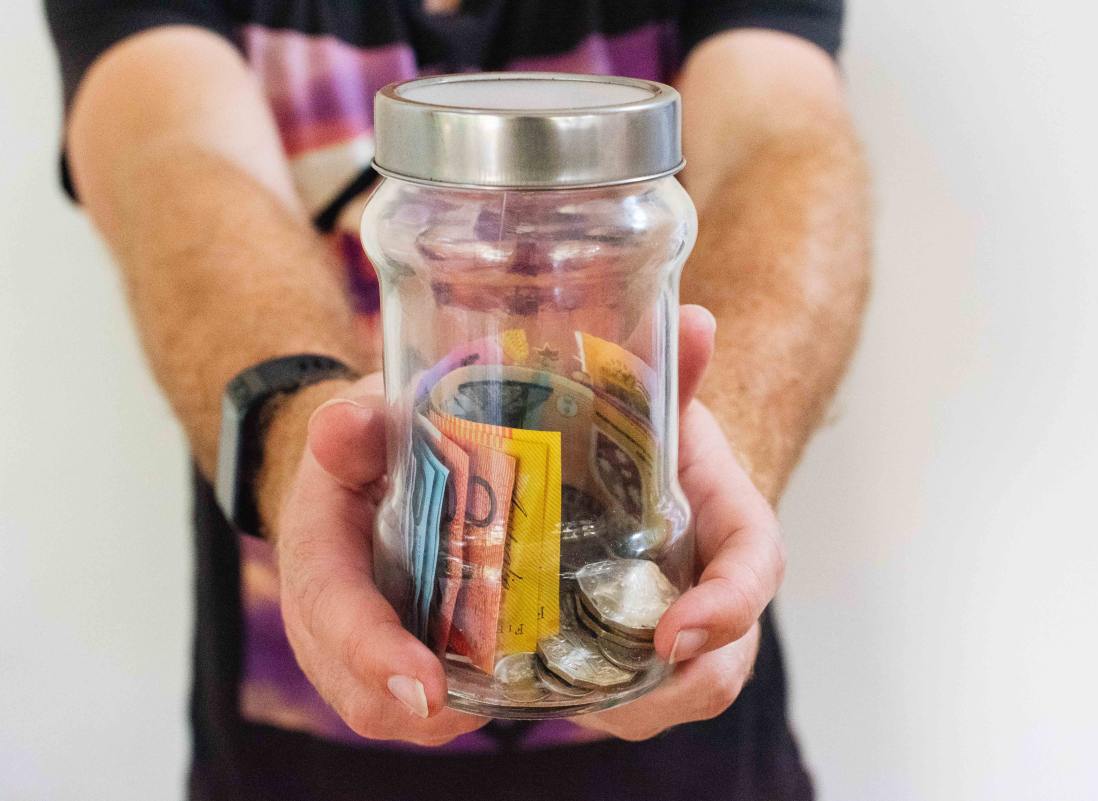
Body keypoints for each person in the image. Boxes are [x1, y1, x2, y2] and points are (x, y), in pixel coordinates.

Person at [45, 1, 869, 798]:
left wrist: (699, 465)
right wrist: (298, 439)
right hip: (299, 757)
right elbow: (168, 147)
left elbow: (781, 135)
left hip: (691, 764)